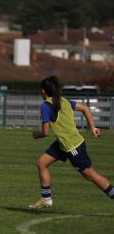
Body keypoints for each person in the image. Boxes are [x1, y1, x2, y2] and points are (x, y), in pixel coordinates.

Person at [30, 76, 113, 209]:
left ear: (43, 92)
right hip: (63, 144)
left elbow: (45, 133)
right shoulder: (63, 101)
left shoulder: (46, 106)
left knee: (90, 175)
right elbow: (85, 108)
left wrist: (36, 135)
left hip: (73, 147)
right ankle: (46, 199)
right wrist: (93, 127)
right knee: (42, 163)